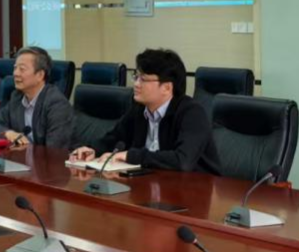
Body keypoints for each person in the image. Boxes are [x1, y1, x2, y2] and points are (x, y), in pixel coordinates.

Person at [69, 48, 220, 173]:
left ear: (167, 87)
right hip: (155, 185)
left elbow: (182, 161)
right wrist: (92, 150)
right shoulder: (139, 109)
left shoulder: (192, 113)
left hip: (196, 189)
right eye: (136, 77)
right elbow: (113, 138)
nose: (136, 84)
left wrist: (131, 156)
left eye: (143, 79)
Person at [0, 46, 74, 148]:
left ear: (40, 75)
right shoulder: (17, 97)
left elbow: (54, 150)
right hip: (21, 157)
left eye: (22, 69)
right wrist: (8, 133)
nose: (15, 73)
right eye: (15, 68)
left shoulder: (56, 104)